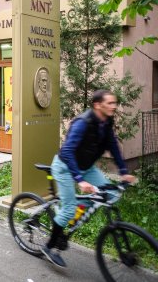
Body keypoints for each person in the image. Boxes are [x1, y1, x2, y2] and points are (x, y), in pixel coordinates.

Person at [41, 90, 136, 268]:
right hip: (65, 167)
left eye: (115, 103)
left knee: (109, 194)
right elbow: (68, 152)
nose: (114, 106)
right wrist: (80, 180)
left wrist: (123, 171)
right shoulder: (83, 123)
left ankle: (70, 216)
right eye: (110, 103)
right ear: (97, 105)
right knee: (69, 210)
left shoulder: (106, 122)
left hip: (86, 167)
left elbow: (113, 146)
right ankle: (50, 247)